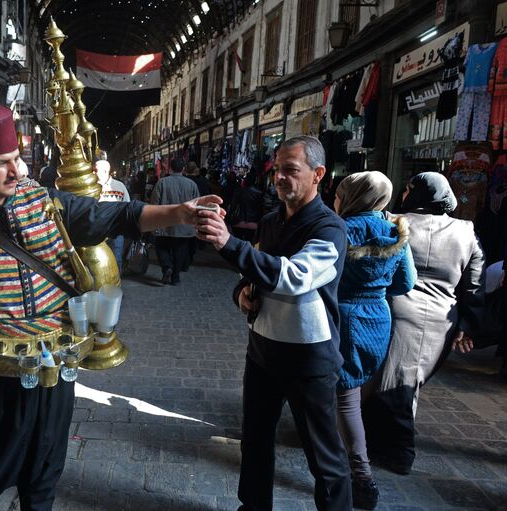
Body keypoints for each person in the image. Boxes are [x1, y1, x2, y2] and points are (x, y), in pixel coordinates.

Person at [0, 104, 220, 511]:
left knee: (44, 479)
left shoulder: (50, 205)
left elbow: (115, 216)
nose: (17, 172)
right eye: (1, 163)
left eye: (17, 159)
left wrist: (181, 213)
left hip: (55, 374)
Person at [195, 136, 352, 510]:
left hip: (308, 357)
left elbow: (294, 276)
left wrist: (229, 244)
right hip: (263, 349)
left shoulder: (330, 229)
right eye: (277, 170)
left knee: (324, 457)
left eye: (290, 170)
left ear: (318, 175)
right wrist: (241, 293)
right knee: (256, 440)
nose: (280, 178)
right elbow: (257, 273)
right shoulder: (270, 220)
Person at [362, 172, 485, 476]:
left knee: (392, 385)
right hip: (442, 321)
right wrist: (467, 325)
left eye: (408, 189)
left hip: (397, 313)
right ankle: (378, 443)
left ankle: (400, 453)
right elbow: (475, 284)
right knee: (406, 383)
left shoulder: (394, 220)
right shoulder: (466, 231)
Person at [332, 172, 416, 510]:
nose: (335, 200)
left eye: (339, 194)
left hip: (342, 318)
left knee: (346, 399)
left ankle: (361, 477)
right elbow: (406, 282)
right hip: (377, 317)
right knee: (355, 390)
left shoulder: (340, 229)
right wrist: (374, 291)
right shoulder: (397, 231)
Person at [151, 158, 200, 285]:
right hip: (184, 225)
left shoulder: (162, 183)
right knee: (180, 251)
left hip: (164, 224)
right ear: (183, 169)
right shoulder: (192, 185)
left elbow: (154, 203)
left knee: (161, 247)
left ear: (170, 168)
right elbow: (197, 205)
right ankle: (176, 277)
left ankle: (167, 267)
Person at [94, 152, 131, 271]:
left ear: (105, 171)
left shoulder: (119, 186)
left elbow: (127, 205)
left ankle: (116, 284)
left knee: (116, 257)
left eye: (96, 170)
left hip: (116, 229)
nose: (93, 173)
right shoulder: (92, 188)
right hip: (98, 229)